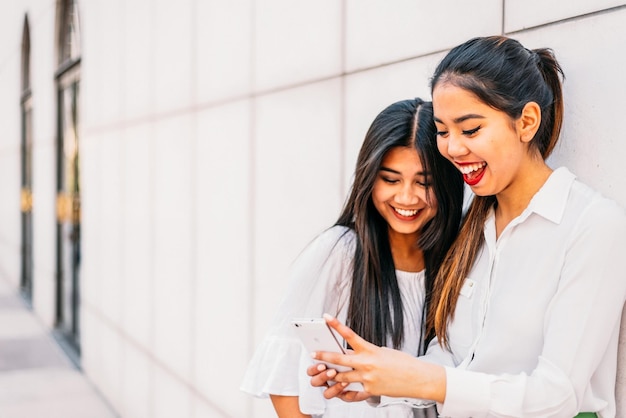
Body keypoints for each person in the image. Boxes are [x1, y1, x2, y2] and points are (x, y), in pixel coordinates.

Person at [308, 35, 626, 417]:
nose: (452, 149)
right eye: (443, 131)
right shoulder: (469, 228)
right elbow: (454, 360)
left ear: (526, 122)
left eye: (470, 130)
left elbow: (557, 396)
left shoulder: (592, 226)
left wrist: (422, 380)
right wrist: (377, 379)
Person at [240, 98, 465, 417]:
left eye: (423, 182)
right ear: (369, 177)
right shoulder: (339, 251)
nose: (406, 197)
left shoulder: (457, 258)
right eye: (390, 179)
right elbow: (285, 377)